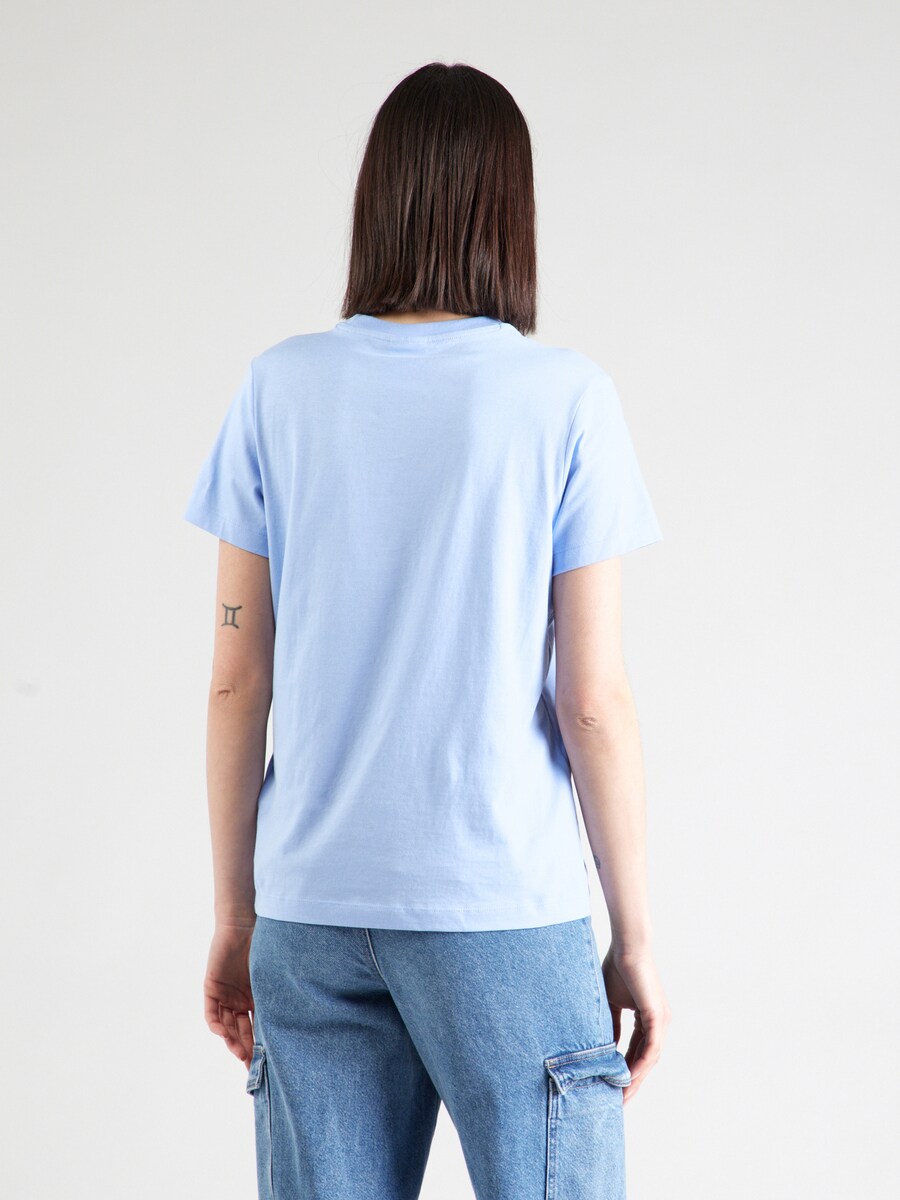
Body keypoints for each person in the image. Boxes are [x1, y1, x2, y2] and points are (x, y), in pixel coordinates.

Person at [183, 59, 671, 1200]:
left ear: (378, 199)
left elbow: (235, 681)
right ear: (512, 209)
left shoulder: (278, 389)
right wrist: (636, 935)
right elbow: (592, 700)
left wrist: (236, 914)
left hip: (310, 908)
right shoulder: (565, 400)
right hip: (501, 906)